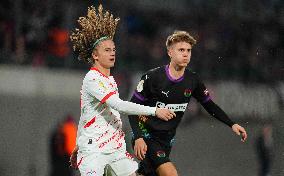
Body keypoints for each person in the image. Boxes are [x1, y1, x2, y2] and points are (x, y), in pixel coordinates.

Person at [69, 5, 176, 176]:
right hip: (94, 152)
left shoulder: (109, 80)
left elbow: (87, 114)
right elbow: (118, 105)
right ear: (95, 55)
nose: (112, 53)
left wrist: (77, 144)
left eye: (113, 50)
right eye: (107, 50)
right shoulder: (92, 79)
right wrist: (155, 111)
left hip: (114, 150)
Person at [128, 30, 248, 176]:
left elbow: (209, 105)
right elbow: (131, 107)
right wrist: (139, 137)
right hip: (146, 136)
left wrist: (232, 124)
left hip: (166, 139)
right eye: (181, 50)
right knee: (170, 173)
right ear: (170, 52)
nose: (186, 54)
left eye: (188, 50)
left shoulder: (192, 80)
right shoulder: (152, 77)